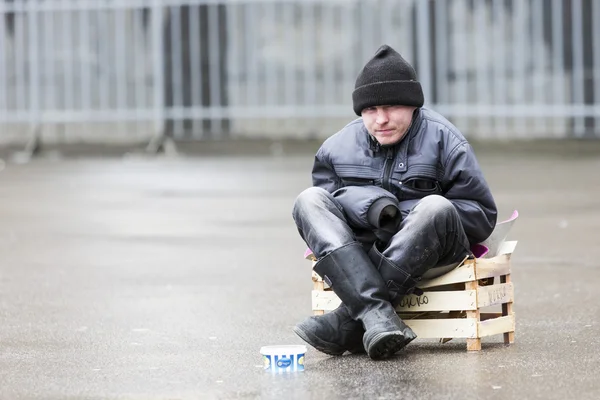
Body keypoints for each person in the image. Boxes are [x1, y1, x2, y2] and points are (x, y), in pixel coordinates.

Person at [291, 44, 498, 360]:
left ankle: (349, 321)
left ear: (413, 106)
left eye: (391, 107)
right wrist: (372, 208)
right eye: (370, 110)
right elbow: (327, 215)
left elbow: (481, 214)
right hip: (361, 256)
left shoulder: (446, 141)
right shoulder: (335, 149)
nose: (381, 119)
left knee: (435, 207)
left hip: (433, 253)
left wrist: (399, 216)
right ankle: (376, 316)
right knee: (308, 200)